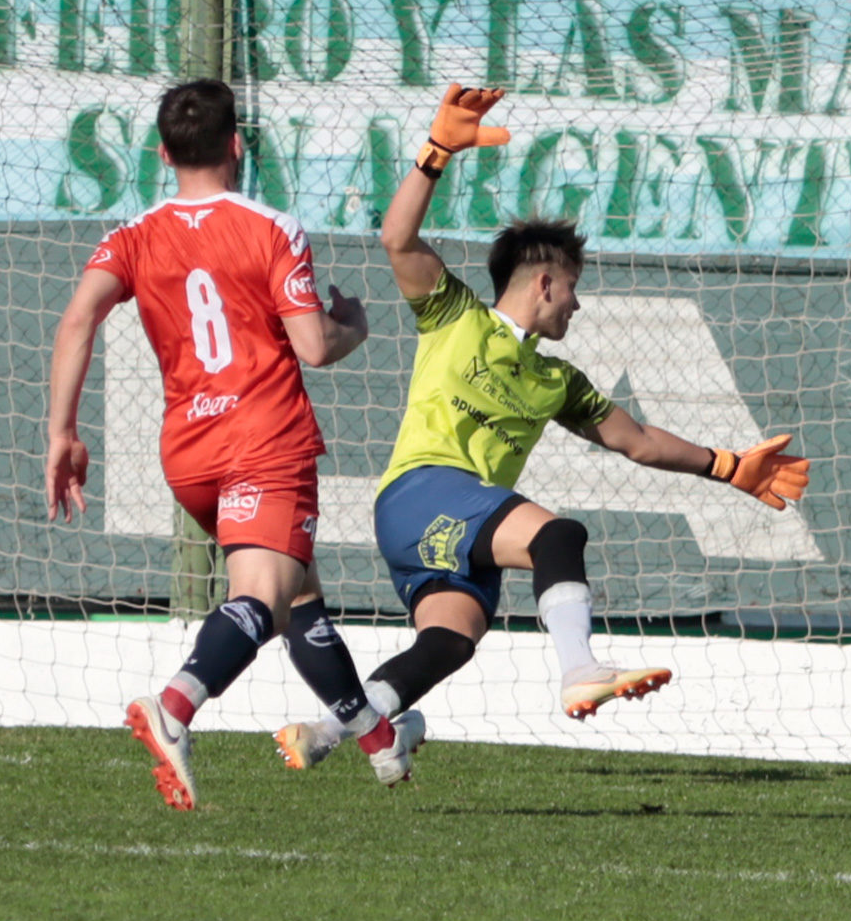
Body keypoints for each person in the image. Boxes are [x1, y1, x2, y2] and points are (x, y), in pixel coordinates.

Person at [271, 84, 811, 770]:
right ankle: (579, 668)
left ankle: (326, 730)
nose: (578, 306)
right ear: (547, 283)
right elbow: (396, 236)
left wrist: (728, 465)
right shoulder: (454, 315)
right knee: (560, 534)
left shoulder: (557, 380)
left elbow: (635, 440)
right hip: (423, 490)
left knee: (451, 642)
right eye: (575, 288)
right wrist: (436, 152)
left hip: (445, 525)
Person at [46, 78, 421, 811]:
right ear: (237, 144)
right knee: (264, 597)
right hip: (264, 439)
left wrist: (62, 431)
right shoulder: (271, 226)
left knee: (298, 593)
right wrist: (356, 323)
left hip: (189, 454)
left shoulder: (131, 236)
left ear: (162, 152)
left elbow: (76, 321)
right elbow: (313, 346)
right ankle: (176, 706)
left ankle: (377, 739)